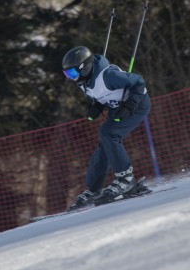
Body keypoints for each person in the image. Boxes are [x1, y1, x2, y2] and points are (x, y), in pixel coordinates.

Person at [62, 46, 151, 211]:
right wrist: (96, 106)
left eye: (72, 73)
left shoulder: (109, 76)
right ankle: (94, 189)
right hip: (116, 108)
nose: (71, 78)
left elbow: (138, 82)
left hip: (137, 105)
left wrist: (131, 104)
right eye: (67, 75)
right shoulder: (83, 83)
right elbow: (101, 95)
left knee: (108, 134)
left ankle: (126, 179)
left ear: (85, 67)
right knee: (105, 143)